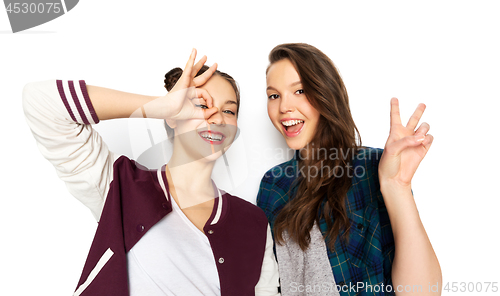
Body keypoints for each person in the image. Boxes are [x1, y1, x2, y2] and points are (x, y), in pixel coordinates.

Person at [22, 49, 279, 296]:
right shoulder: (120, 186)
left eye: (229, 111)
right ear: (173, 116)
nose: (218, 118)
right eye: (201, 105)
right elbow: (39, 101)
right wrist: (160, 105)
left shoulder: (254, 222)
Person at [257, 43, 441, 295]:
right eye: (274, 95)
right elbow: (267, 282)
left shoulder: (374, 167)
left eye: (299, 90)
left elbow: (423, 292)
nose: (283, 107)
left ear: (325, 94)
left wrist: (397, 186)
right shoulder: (273, 184)